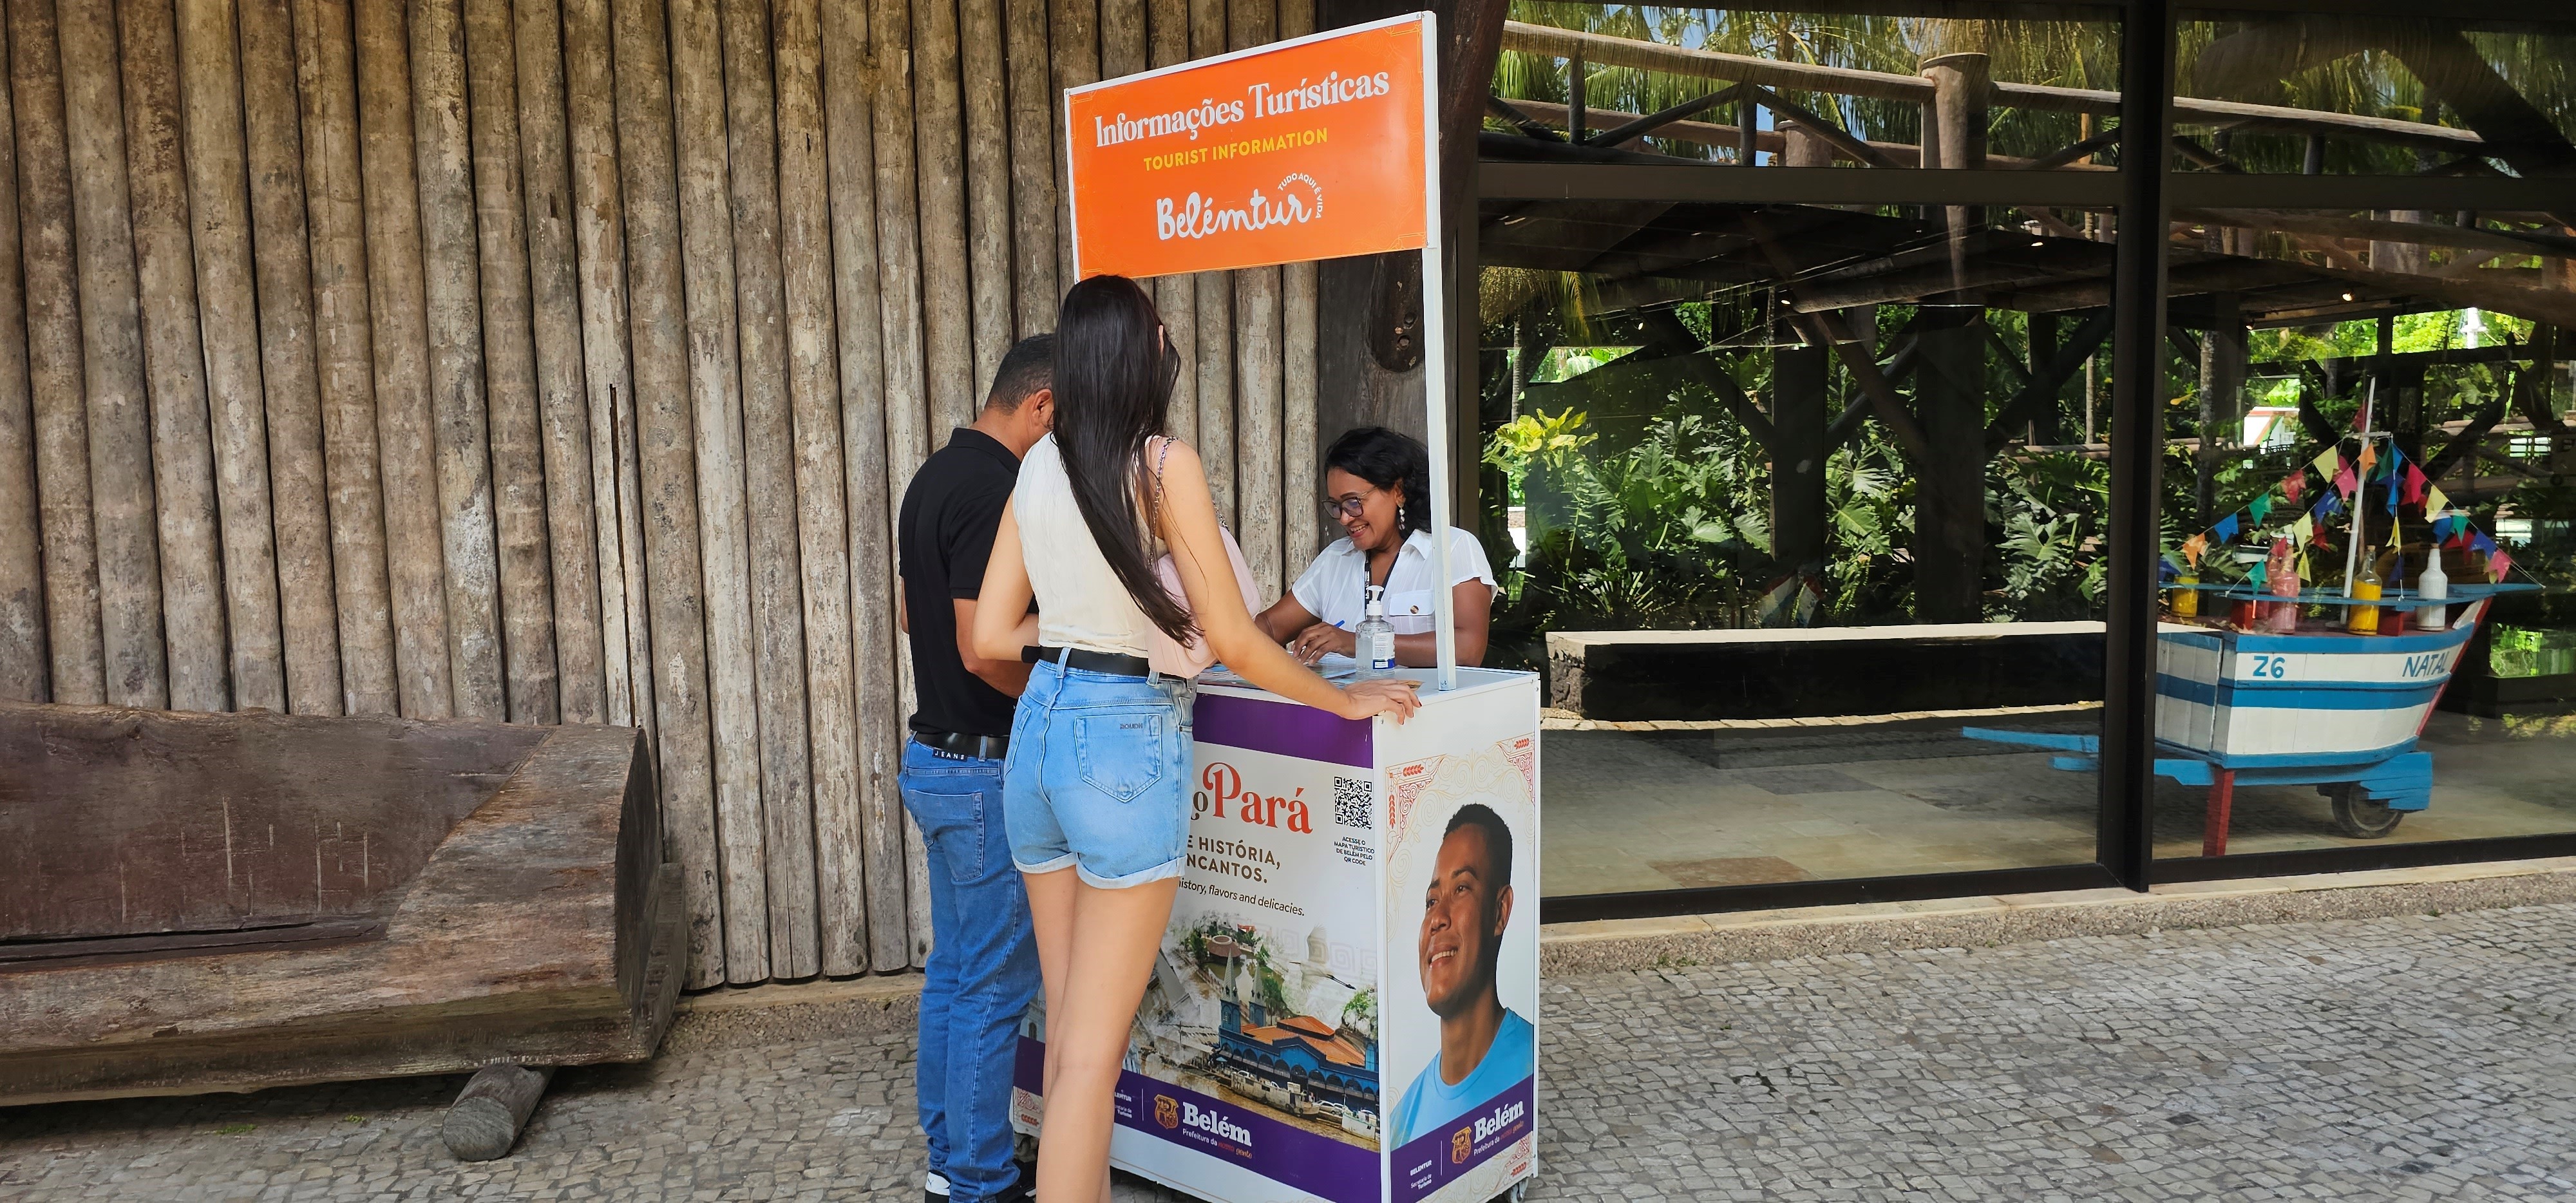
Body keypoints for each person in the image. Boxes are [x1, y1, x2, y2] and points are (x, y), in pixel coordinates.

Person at [971, 275, 1423, 1203]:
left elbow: (986, 637)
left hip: (1038, 735)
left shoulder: (1039, 465)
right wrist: (1342, 704)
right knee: (1093, 1061)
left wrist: (1073, 652)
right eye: (1159, 325)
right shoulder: (1160, 462)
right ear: (1144, 352)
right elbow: (1233, 635)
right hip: (1124, 741)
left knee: (1069, 1045)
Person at [896, 334, 1057, 1203]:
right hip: (983, 770)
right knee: (994, 988)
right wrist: (1061, 686)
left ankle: (948, 1160)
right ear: (1039, 405)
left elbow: (911, 617)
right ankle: (982, 1180)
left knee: (956, 973)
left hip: (935, 757)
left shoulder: (932, 478)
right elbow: (979, 646)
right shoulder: (1000, 488)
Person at [1255, 426, 1496, 668]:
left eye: (1354, 502)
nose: (1345, 518)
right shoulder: (1335, 559)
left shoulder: (1451, 549)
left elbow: (1468, 649)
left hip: (1420, 705)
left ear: (1398, 491)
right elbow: (1270, 626)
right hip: (1344, 705)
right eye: (1336, 506)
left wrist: (1358, 643)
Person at [1388, 804, 1533, 1148]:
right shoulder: (1399, 1125)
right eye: (1431, 900)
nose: (1437, 917)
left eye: (1462, 889)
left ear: (1500, 911)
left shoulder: (1528, 1066)